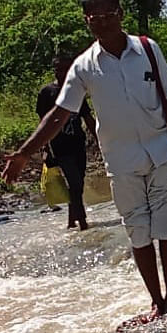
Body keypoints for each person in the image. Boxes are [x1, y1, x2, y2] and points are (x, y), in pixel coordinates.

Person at [4, 0, 167, 324]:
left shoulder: (148, 50)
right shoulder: (83, 67)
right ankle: (156, 302)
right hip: (121, 162)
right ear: (87, 21)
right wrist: (24, 153)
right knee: (138, 231)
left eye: (109, 13)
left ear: (120, 13)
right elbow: (58, 115)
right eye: (95, 15)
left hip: (161, 152)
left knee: (166, 226)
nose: (103, 20)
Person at [36, 45, 97, 230]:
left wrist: (100, 139)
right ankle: (83, 223)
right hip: (59, 147)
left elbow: (87, 118)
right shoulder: (47, 93)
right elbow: (42, 123)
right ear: (54, 70)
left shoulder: (76, 90)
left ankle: (71, 221)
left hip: (78, 144)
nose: (62, 73)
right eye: (58, 69)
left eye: (65, 69)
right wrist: (44, 147)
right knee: (75, 183)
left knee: (78, 184)